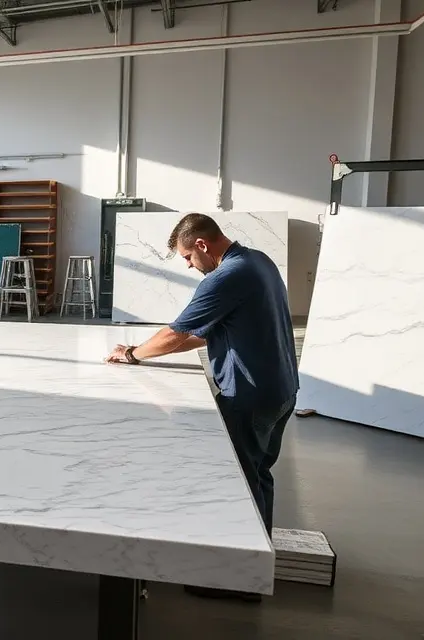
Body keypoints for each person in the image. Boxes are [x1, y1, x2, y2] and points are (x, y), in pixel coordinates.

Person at [105, 213, 298, 601]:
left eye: (188, 258)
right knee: (258, 476)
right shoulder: (258, 261)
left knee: (241, 483)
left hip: (249, 395)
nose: (190, 267)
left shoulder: (226, 276)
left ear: (203, 246)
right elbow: (204, 330)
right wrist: (145, 351)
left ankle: (240, 582)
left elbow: (175, 334)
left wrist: (134, 356)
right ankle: (258, 565)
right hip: (281, 390)